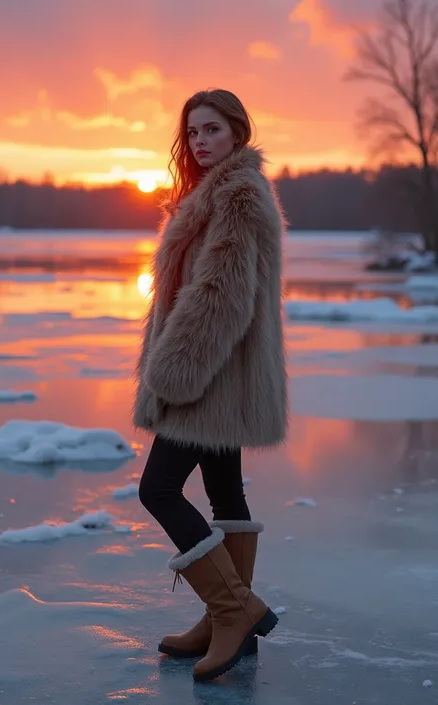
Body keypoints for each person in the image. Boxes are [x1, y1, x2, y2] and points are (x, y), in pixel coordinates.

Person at [133, 88, 288, 682]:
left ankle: (233, 609)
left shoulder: (239, 195)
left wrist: (175, 373)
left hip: (211, 375)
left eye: (212, 130)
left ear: (238, 133)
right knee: (226, 495)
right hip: (227, 373)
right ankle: (227, 623)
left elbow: (220, 297)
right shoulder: (211, 194)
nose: (199, 142)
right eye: (193, 132)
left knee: (159, 489)